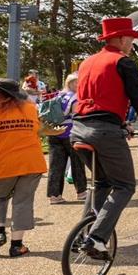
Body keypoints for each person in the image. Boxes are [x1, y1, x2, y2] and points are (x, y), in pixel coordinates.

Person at [72, 17, 138, 260]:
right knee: (125, 186)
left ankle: (81, 236)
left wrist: (122, 123)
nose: (132, 44)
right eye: (130, 39)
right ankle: (96, 238)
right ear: (118, 38)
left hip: (78, 129)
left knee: (103, 183)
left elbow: (99, 99)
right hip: (103, 132)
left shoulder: (86, 63)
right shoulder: (122, 62)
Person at [0, 79, 48, 256]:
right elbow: (37, 130)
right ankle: (17, 245)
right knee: (22, 202)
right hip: (31, 162)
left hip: (1, 163)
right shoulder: (31, 109)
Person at [46, 73, 87, 204]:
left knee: (55, 166)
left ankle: (54, 195)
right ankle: (81, 192)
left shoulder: (58, 95)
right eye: (77, 83)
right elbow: (77, 115)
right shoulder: (74, 97)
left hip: (54, 132)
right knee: (77, 163)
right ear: (71, 83)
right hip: (70, 132)